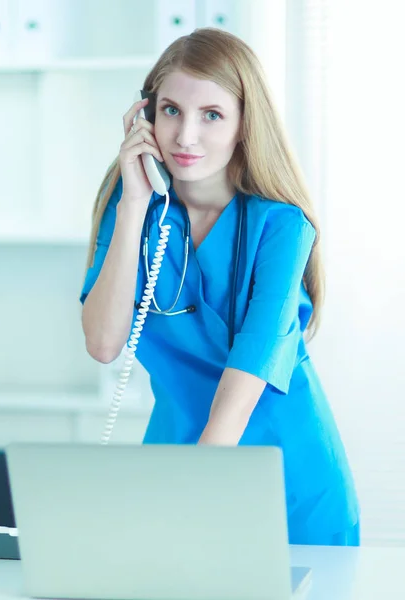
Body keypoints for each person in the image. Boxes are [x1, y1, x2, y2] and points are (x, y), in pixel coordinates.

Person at [79, 27, 360, 546]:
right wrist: (136, 202)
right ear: (144, 116)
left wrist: (194, 499)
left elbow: (244, 382)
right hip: (179, 453)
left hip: (282, 474)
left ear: (243, 125)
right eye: (170, 111)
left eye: (211, 114)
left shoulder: (282, 228)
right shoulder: (133, 210)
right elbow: (102, 343)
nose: (186, 136)